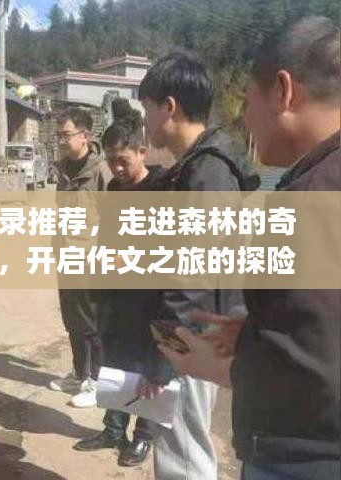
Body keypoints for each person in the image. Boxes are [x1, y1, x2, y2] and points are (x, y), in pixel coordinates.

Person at [158, 17, 340, 480]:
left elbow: (313, 374)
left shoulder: (310, 197)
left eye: (248, 102)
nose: (246, 121)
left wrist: (223, 367)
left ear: (283, 91)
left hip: (303, 457)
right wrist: (261, 330)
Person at [138, 51, 260, 479]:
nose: (145, 121)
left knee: (184, 453)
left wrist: (167, 354)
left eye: (147, 108)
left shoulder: (208, 173)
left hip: (193, 336)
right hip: (194, 330)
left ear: (169, 107)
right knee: (180, 445)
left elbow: (194, 272)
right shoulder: (196, 168)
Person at [73, 99, 165, 466]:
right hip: (118, 294)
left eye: (123, 160)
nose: (117, 168)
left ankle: (143, 436)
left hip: (151, 297)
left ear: (142, 151)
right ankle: (113, 429)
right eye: (111, 161)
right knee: (117, 363)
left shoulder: (163, 187)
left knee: (148, 367)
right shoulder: (114, 189)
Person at [49, 107, 112, 408]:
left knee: (92, 322)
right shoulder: (63, 168)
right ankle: (78, 372)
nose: (61, 140)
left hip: (90, 257)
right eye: (59, 135)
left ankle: (97, 381)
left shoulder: (101, 171)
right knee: (71, 318)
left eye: (66, 135)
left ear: (85, 136)